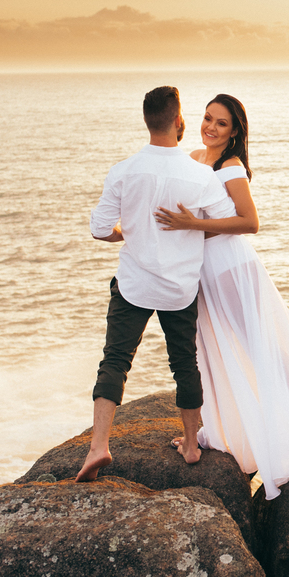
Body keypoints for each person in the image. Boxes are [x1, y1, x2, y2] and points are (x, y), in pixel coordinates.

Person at [153, 94, 289, 498]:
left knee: (261, 348)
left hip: (231, 269)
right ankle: (221, 431)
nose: (211, 126)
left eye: (221, 123)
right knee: (216, 350)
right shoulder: (193, 157)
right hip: (204, 270)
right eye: (207, 118)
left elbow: (250, 221)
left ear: (235, 131)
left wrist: (191, 224)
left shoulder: (231, 166)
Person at [77, 86, 237, 482]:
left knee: (115, 359)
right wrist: (189, 233)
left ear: (147, 122)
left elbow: (99, 230)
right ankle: (190, 444)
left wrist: (127, 233)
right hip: (179, 287)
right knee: (184, 363)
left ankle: (99, 447)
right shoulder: (199, 175)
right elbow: (226, 224)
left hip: (133, 283)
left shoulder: (123, 170)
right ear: (179, 122)